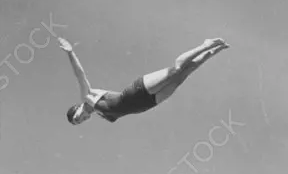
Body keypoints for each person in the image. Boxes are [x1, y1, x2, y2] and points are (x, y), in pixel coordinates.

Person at [59, 37, 229, 126]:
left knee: (176, 69)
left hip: (136, 92)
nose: (82, 120)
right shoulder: (101, 113)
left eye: (78, 118)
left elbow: (80, 74)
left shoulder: (88, 98)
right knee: (182, 76)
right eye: (80, 123)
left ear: (76, 109)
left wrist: (70, 52)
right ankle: (212, 53)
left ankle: (206, 45)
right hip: (148, 104)